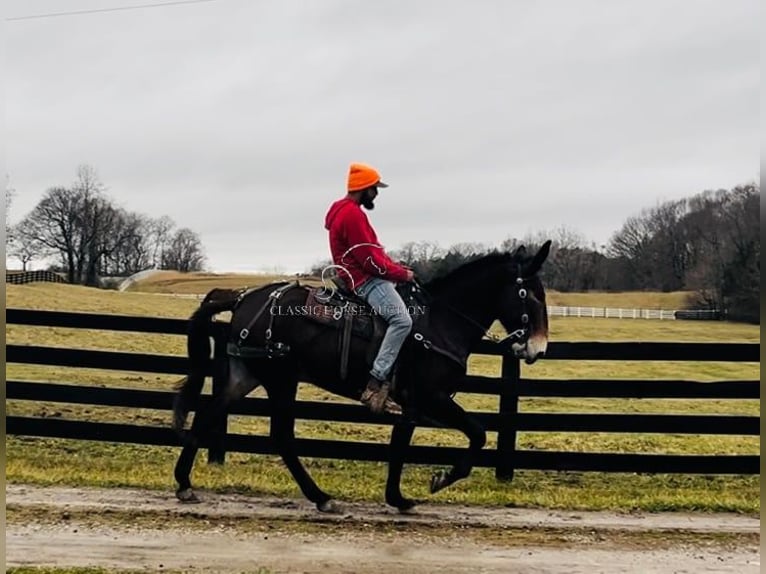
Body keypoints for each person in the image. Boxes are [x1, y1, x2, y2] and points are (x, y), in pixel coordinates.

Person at [324, 162, 414, 415]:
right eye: (374, 188)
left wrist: (395, 267)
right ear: (364, 188)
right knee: (402, 321)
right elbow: (369, 261)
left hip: (358, 276)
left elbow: (371, 252)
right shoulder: (353, 214)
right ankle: (376, 382)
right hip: (366, 280)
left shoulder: (340, 211)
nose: (376, 193)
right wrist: (403, 274)